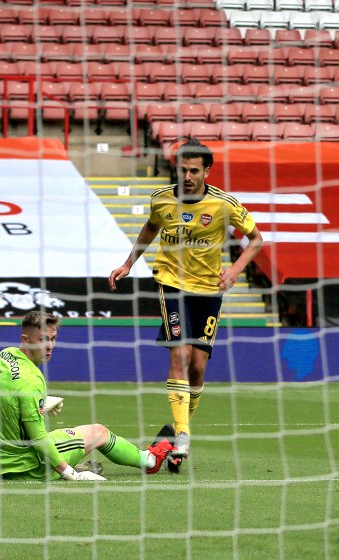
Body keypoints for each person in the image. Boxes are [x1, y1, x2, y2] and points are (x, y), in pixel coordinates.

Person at [108, 138, 264, 472]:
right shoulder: (161, 198)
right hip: (171, 282)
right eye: (183, 169)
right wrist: (128, 263)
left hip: (208, 290)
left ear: (207, 171)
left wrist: (235, 271)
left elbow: (256, 240)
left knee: (198, 367)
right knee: (179, 354)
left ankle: (172, 438)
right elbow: (151, 227)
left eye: (194, 170)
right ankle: (183, 435)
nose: (188, 175)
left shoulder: (223, 204)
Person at [0, 311, 175, 480]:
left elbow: (5, 393)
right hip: (20, 467)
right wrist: (70, 474)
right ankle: (150, 461)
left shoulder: (5, 355)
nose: (50, 346)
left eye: (53, 339)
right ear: (25, 340)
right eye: (43, 339)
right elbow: (38, 439)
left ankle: (76, 464)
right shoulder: (32, 380)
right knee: (98, 432)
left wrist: (41, 403)